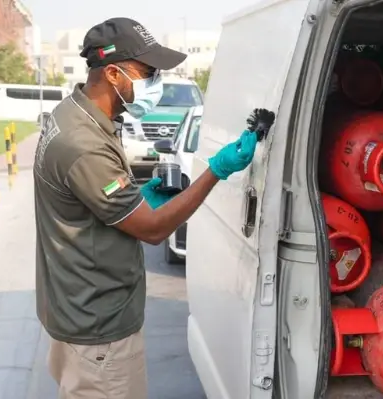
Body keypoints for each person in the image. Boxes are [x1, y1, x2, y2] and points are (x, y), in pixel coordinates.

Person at [33, 17, 258, 398]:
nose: (156, 82)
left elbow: (88, 201)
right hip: (98, 332)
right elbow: (153, 231)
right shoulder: (83, 143)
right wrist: (215, 171)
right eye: (147, 73)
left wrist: (137, 196)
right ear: (113, 74)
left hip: (77, 315)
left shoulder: (76, 115)